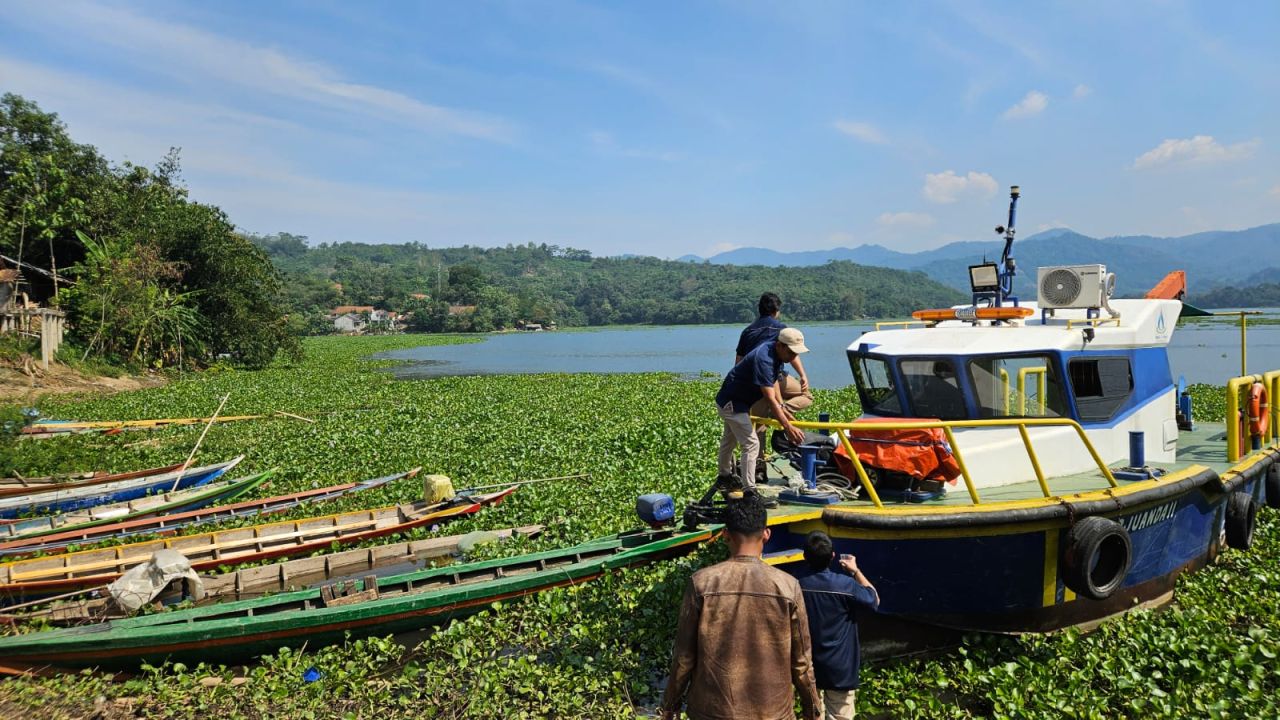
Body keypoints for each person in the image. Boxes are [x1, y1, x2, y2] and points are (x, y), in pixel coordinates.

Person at [659, 495, 822, 720]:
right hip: (773, 713)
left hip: (712, 712)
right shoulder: (788, 586)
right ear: (766, 534)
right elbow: (802, 663)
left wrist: (670, 705)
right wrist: (812, 710)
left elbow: (684, 658)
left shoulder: (701, 583)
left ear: (725, 534)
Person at [716, 327, 809, 498]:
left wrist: (783, 410)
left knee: (729, 440)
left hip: (738, 401)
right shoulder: (764, 359)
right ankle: (749, 489)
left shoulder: (777, 354)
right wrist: (788, 427)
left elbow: (774, 387)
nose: (794, 357)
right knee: (751, 444)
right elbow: (769, 398)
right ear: (780, 346)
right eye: (792, 353)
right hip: (732, 403)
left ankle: (724, 476)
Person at [797, 531, 880, 720]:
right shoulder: (846, 585)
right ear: (833, 556)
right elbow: (874, 600)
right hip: (840, 668)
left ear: (805, 557)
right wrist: (855, 571)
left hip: (809, 666)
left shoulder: (797, 586)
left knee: (813, 714)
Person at [735, 292, 814, 417]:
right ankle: (780, 409)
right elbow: (792, 353)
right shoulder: (781, 329)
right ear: (777, 310)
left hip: (753, 383)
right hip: (773, 378)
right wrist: (802, 375)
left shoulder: (747, 331)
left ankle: (777, 408)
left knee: (759, 427)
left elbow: (738, 362)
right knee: (806, 396)